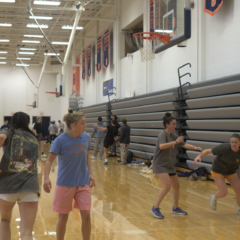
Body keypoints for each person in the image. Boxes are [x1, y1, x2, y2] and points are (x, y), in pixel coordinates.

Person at [43, 108, 95, 240]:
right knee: (63, 217)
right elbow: (49, 161)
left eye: (85, 122)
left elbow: (87, 156)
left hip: (83, 182)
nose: (85, 125)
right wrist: (46, 178)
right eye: (82, 123)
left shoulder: (86, 137)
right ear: (73, 125)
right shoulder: (60, 140)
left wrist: (91, 174)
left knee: (87, 215)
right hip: (65, 184)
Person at [151, 113, 202, 219]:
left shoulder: (173, 135)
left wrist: (195, 148)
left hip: (169, 165)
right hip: (159, 164)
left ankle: (175, 208)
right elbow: (161, 146)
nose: (175, 126)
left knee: (176, 186)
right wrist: (175, 142)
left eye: (175, 124)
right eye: (173, 124)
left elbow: (183, 144)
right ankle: (155, 208)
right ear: (167, 124)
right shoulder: (163, 134)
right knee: (167, 186)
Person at [0, 112, 39, 240]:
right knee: (27, 233)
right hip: (30, 186)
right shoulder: (34, 138)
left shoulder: (9, 131)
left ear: (13, 122)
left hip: (8, 185)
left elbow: (1, 137)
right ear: (27, 123)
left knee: (5, 221)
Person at [194, 133, 240, 215]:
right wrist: (199, 156)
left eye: (235, 142)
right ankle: (214, 197)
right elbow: (208, 151)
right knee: (223, 192)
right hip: (218, 170)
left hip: (230, 171)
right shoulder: (224, 148)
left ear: (239, 143)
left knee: (239, 190)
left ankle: (239, 209)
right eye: (232, 142)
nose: (233, 144)